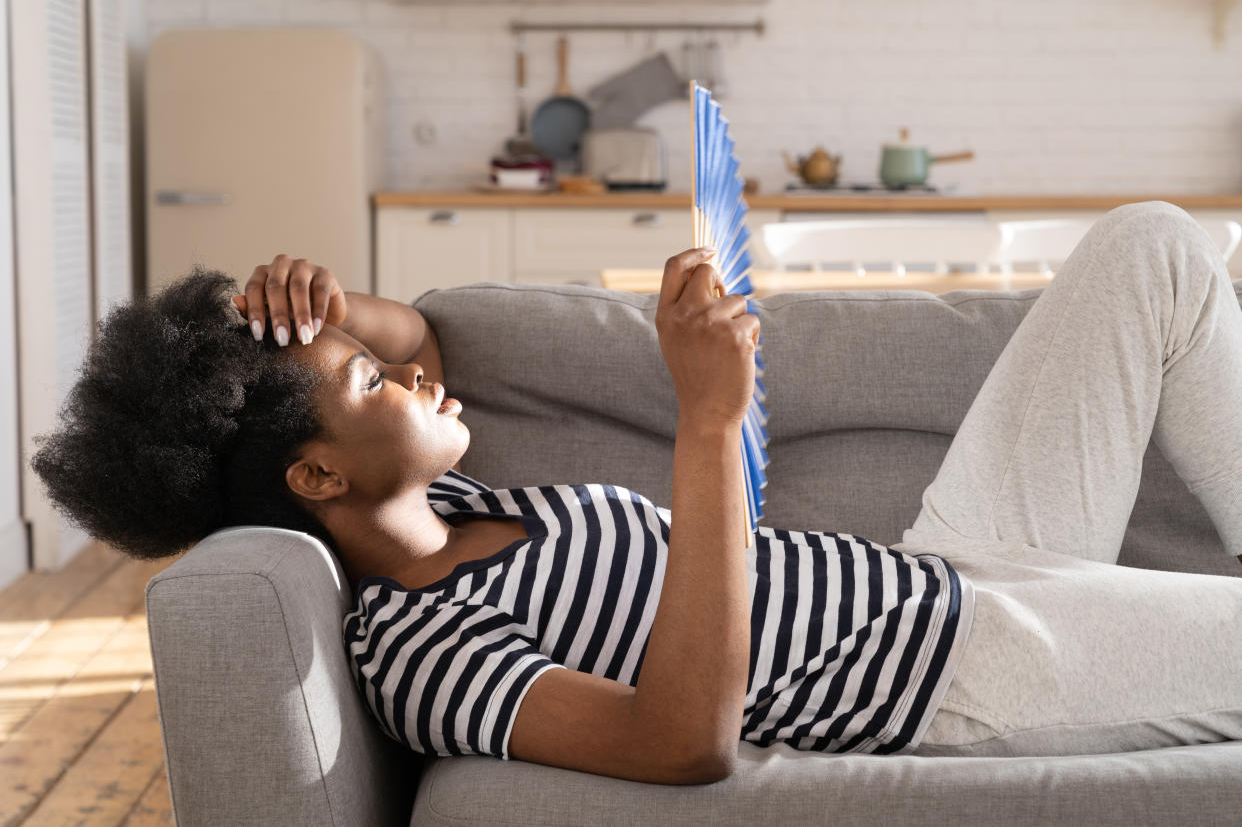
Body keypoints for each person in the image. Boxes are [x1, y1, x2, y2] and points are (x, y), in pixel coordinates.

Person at [31, 201, 1242, 786]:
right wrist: (709, 419)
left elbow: (426, 347)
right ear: (319, 476)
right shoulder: (415, 648)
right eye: (366, 381)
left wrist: (329, 314)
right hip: (962, 672)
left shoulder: (449, 508)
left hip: (949, 564)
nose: (405, 372)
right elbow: (679, 744)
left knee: (1153, 250)